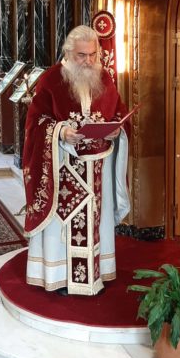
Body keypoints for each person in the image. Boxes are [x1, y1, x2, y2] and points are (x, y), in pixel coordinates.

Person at [22, 25, 130, 296]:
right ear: (68, 52)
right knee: (64, 223)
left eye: (93, 54)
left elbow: (118, 112)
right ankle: (61, 276)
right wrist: (61, 132)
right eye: (82, 55)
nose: (89, 61)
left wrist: (117, 130)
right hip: (64, 166)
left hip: (99, 167)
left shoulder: (104, 78)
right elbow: (35, 122)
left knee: (96, 221)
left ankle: (95, 273)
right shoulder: (50, 79)